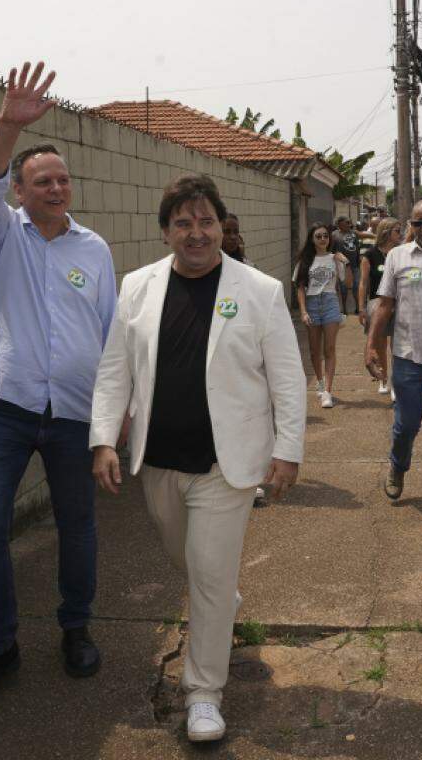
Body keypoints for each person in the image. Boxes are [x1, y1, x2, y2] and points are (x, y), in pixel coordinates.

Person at [90, 174, 305, 743]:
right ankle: (221, 597)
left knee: (208, 576)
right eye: (182, 222)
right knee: (186, 557)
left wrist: (288, 450)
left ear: (221, 227)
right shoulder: (137, 287)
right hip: (157, 461)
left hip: (223, 466)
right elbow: (116, 369)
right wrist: (104, 438)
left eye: (205, 221)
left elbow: (286, 378)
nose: (195, 232)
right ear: (166, 232)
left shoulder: (258, 290)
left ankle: (203, 692)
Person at [0, 61, 117, 716]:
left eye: (62, 178)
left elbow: (108, 334)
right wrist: (9, 123)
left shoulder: (93, 249)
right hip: (5, 407)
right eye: (41, 179)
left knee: (78, 527)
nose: (55, 186)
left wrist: (112, 415)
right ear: (19, 191)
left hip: (76, 415)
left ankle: (76, 628)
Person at [365, 201, 422, 526]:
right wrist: (372, 347)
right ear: (411, 225)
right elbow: (385, 306)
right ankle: (398, 464)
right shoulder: (397, 257)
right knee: (407, 425)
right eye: (418, 223)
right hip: (409, 356)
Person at [294, 224, 351, 408]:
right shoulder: (305, 261)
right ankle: (319, 382)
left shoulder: (334, 258)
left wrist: (346, 262)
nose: (322, 239)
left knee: (329, 349)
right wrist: (303, 311)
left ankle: (327, 391)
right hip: (311, 304)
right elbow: (300, 288)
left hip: (329, 302)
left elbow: (347, 282)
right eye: (318, 236)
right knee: (314, 350)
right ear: (312, 239)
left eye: (325, 236)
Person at [358, 219, 401, 395]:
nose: (400, 234)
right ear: (386, 232)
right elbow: (363, 283)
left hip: (398, 302)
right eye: (397, 231)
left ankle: (396, 383)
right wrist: (361, 309)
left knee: (397, 345)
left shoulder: (401, 253)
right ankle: (384, 379)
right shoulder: (370, 255)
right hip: (377, 303)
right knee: (381, 344)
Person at [333, 216, 362, 315]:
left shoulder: (354, 233)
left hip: (355, 265)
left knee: (356, 286)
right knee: (343, 288)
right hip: (342, 267)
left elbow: (357, 247)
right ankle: (344, 309)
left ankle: (358, 308)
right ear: (340, 224)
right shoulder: (334, 235)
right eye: (347, 222)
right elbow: (333, 251)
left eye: (349, 222)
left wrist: (359, 260)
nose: (349, 224)